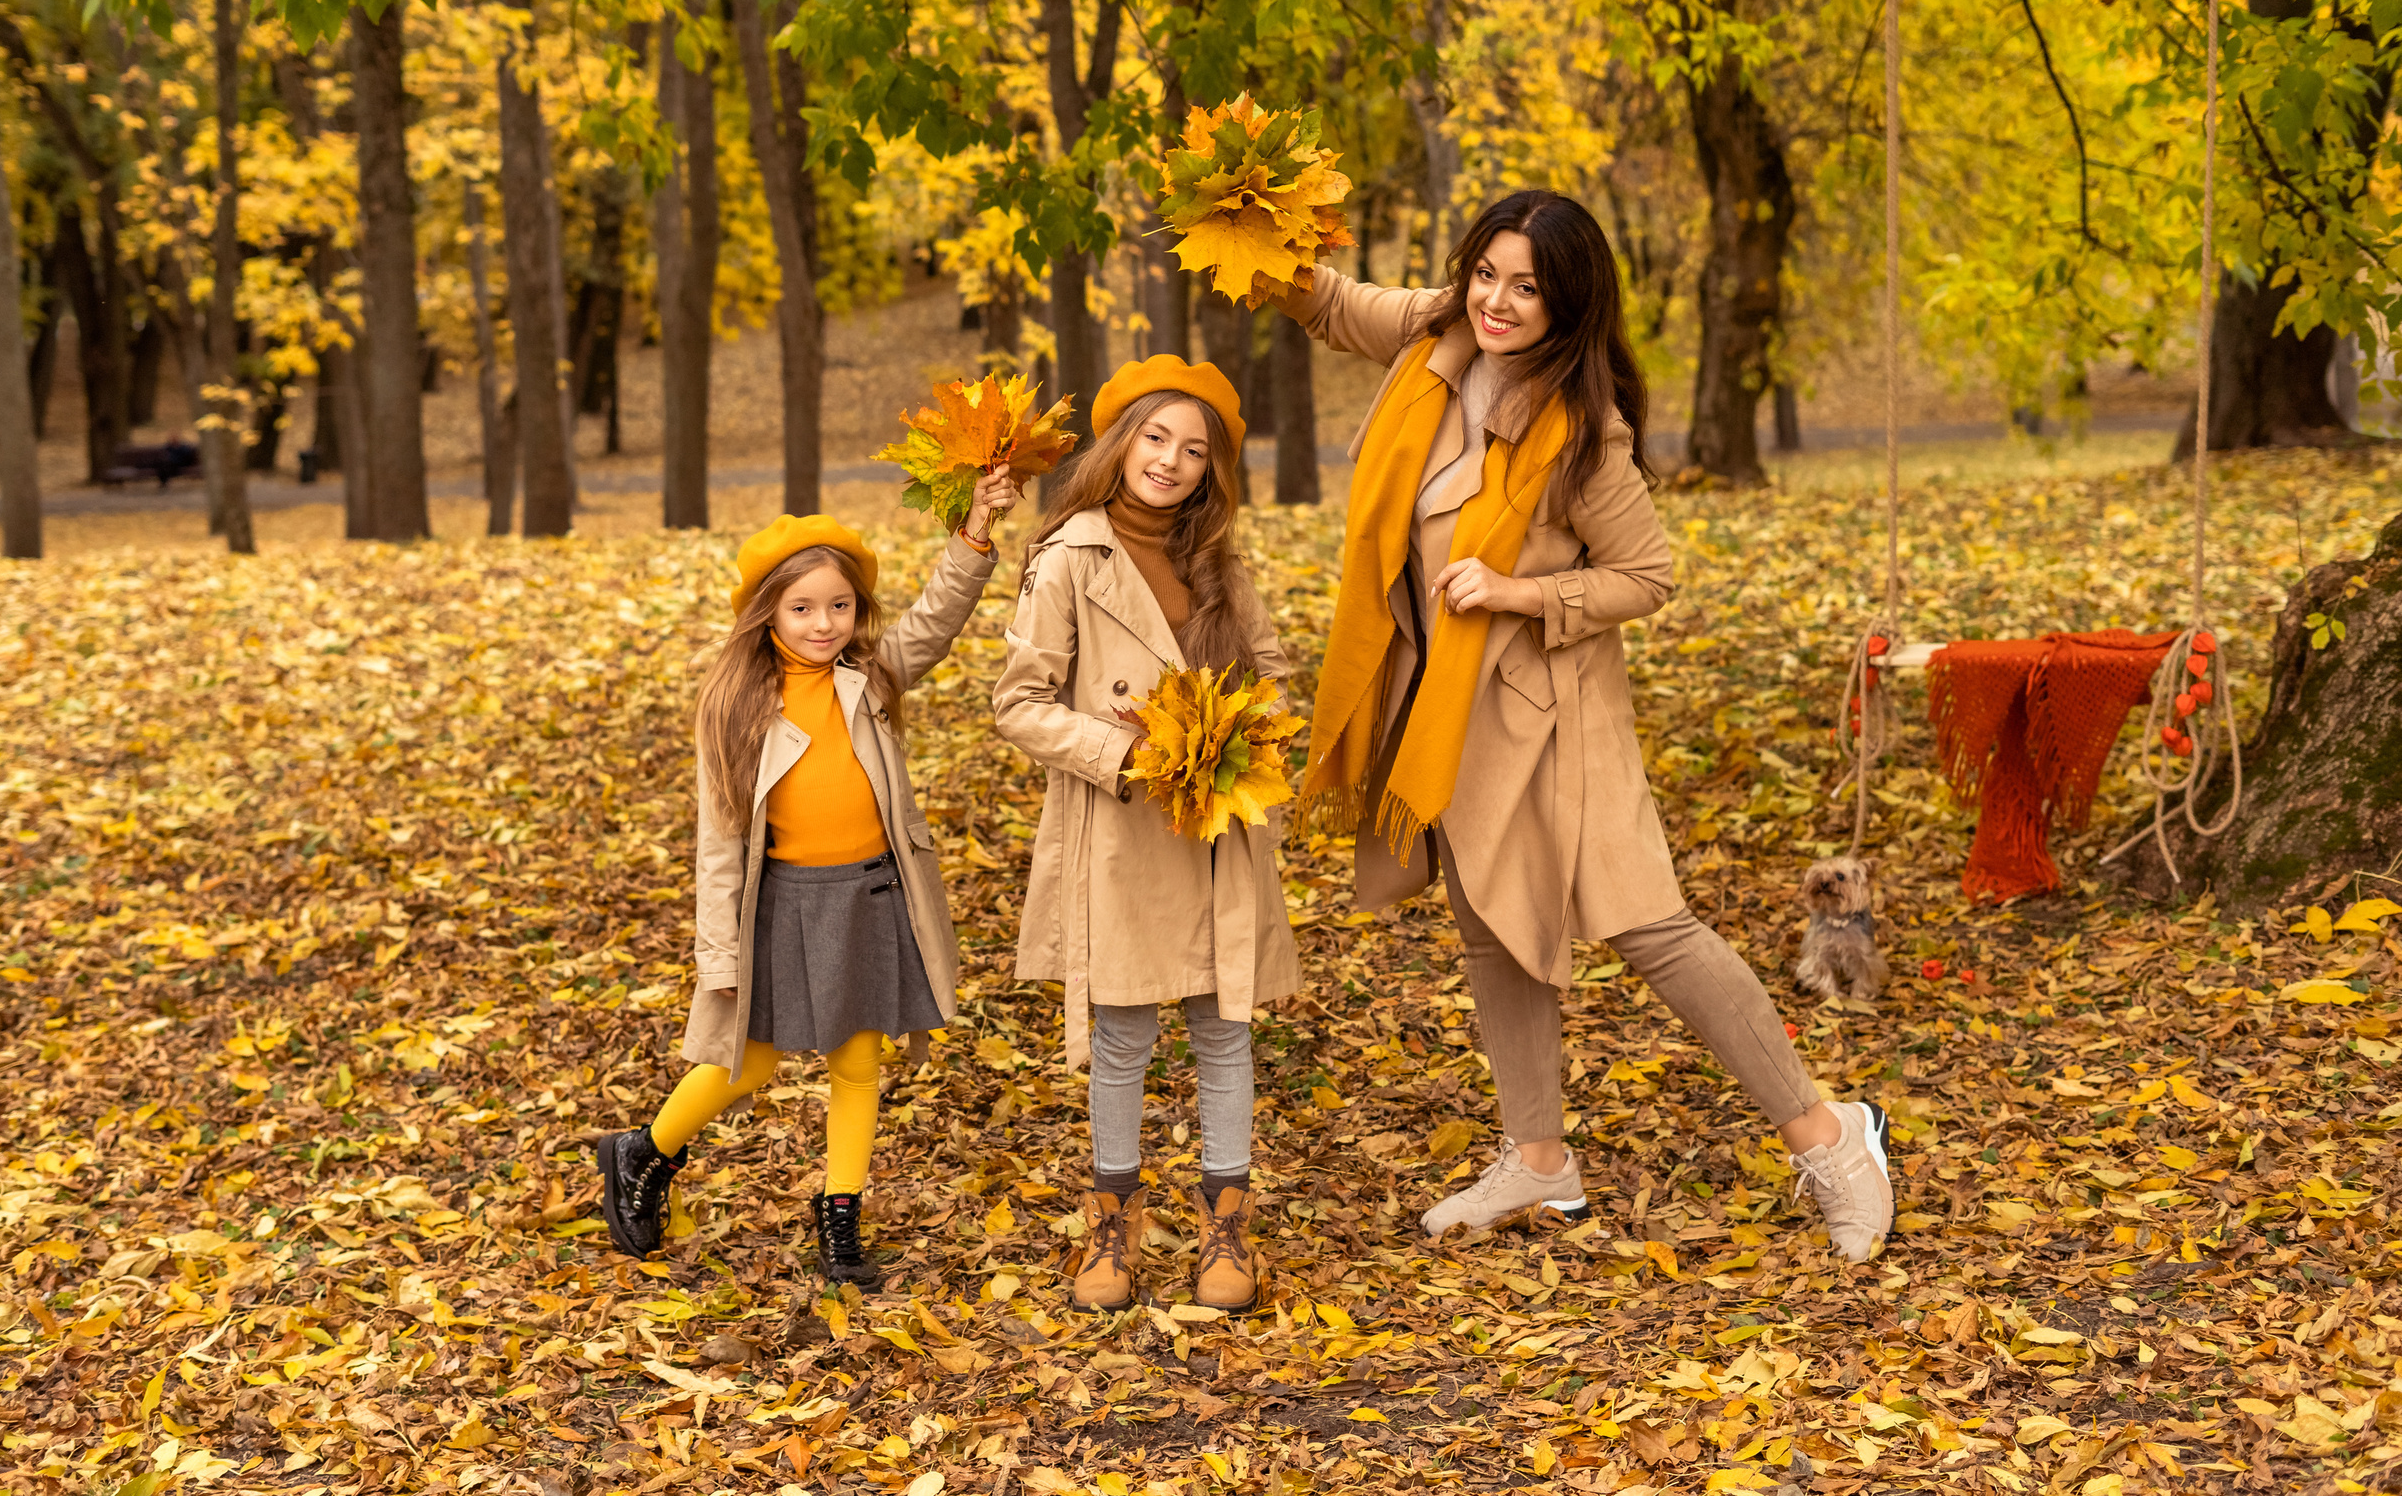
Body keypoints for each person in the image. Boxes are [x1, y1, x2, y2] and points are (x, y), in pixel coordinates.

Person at [1283, 192, 1894, 1259]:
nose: (1498, 301)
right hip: (1444, 711)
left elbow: (1647, 577)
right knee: (1489, 927)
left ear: (1567, 304)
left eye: (1527, 286)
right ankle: (1539, 1163)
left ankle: (1830, 1132)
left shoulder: (1584, 428)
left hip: (1557, 720)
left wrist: (1520, 595)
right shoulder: (1434, 341)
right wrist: (1250, 227)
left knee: (1651, 929)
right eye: (1487, 274)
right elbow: (1327, 302)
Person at [595, 483, 1016, 1284]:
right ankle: (644, 1151)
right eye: (802, 609)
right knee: (747, 1063)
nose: (824, 624)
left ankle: (840, 1224)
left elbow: (933, 619)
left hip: (866, 898)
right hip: (782, 904)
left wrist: (975, 537)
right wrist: (717, 954)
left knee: (858, 1063)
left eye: (840, 607)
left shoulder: (872, 676)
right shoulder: (736, 706)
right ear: (767, 614)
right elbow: (719, 845)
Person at [993, 356, 1299, 1311]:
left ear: (1212, 469)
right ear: (1121, 444)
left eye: (1194, 448)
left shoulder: (1217, 559)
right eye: (1155, 437)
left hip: (1216, 827)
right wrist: (1127, 759)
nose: (1170, 460)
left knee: (1223, 1030)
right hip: (1125, 827)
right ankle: (1112, 1227)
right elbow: (1018, 703)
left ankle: (1226, 1225)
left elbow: (1274, 668)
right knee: (1123, 1035)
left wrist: (1244, 735)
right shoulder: (1069, 557)